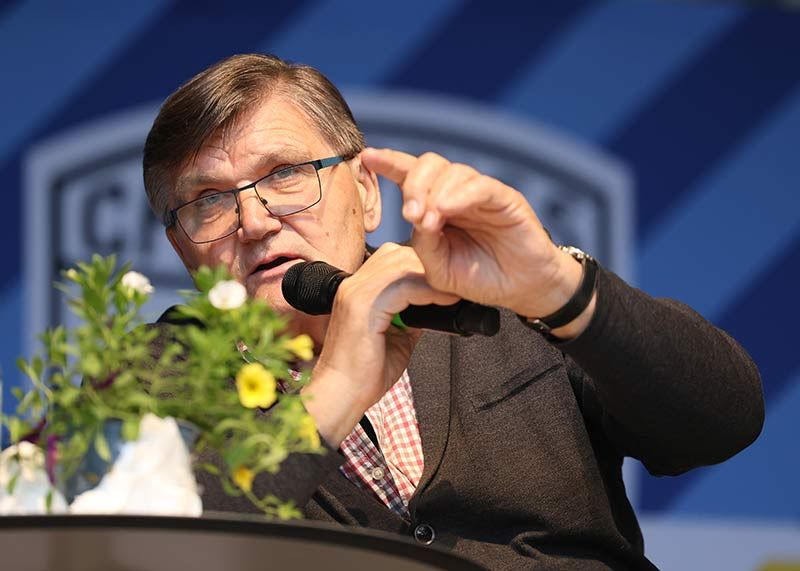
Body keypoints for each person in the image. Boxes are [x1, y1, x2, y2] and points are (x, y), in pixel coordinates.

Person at [142, 53, 764, 570]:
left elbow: (721, 423)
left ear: (363, 193)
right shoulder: (151, 377)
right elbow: (155, 554)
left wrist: (556, 285)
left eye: (284, 174)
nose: (253, 221)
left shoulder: (483, 287)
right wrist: (328, 397)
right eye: (208, 202)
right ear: (180, 247)